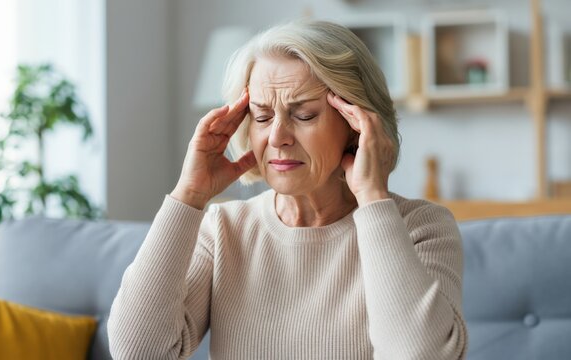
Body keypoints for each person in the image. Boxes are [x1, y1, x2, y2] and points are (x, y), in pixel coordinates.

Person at [108, 20, 467, 359]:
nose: (277, 137)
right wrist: (188, 196)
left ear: (358, 124)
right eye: (262, 117)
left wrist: (373, 199)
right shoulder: (222, 229)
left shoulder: (421, 227)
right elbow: (138, 352)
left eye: (304, 115)